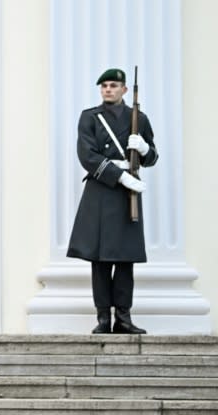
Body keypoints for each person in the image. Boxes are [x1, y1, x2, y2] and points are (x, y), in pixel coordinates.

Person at [67, 68, 159, 334]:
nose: (108, 89)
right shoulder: (90, 118)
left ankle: (123, 316)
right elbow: (87, 155)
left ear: (124, 90)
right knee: (100, 259)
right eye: (104, 86)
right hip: (102, 190)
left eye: (113, 85)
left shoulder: (138, 119)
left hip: (127, 195)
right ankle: (103, 318)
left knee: (125, 258)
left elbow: (152, 157)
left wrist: (143, 148)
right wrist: (119, 176)